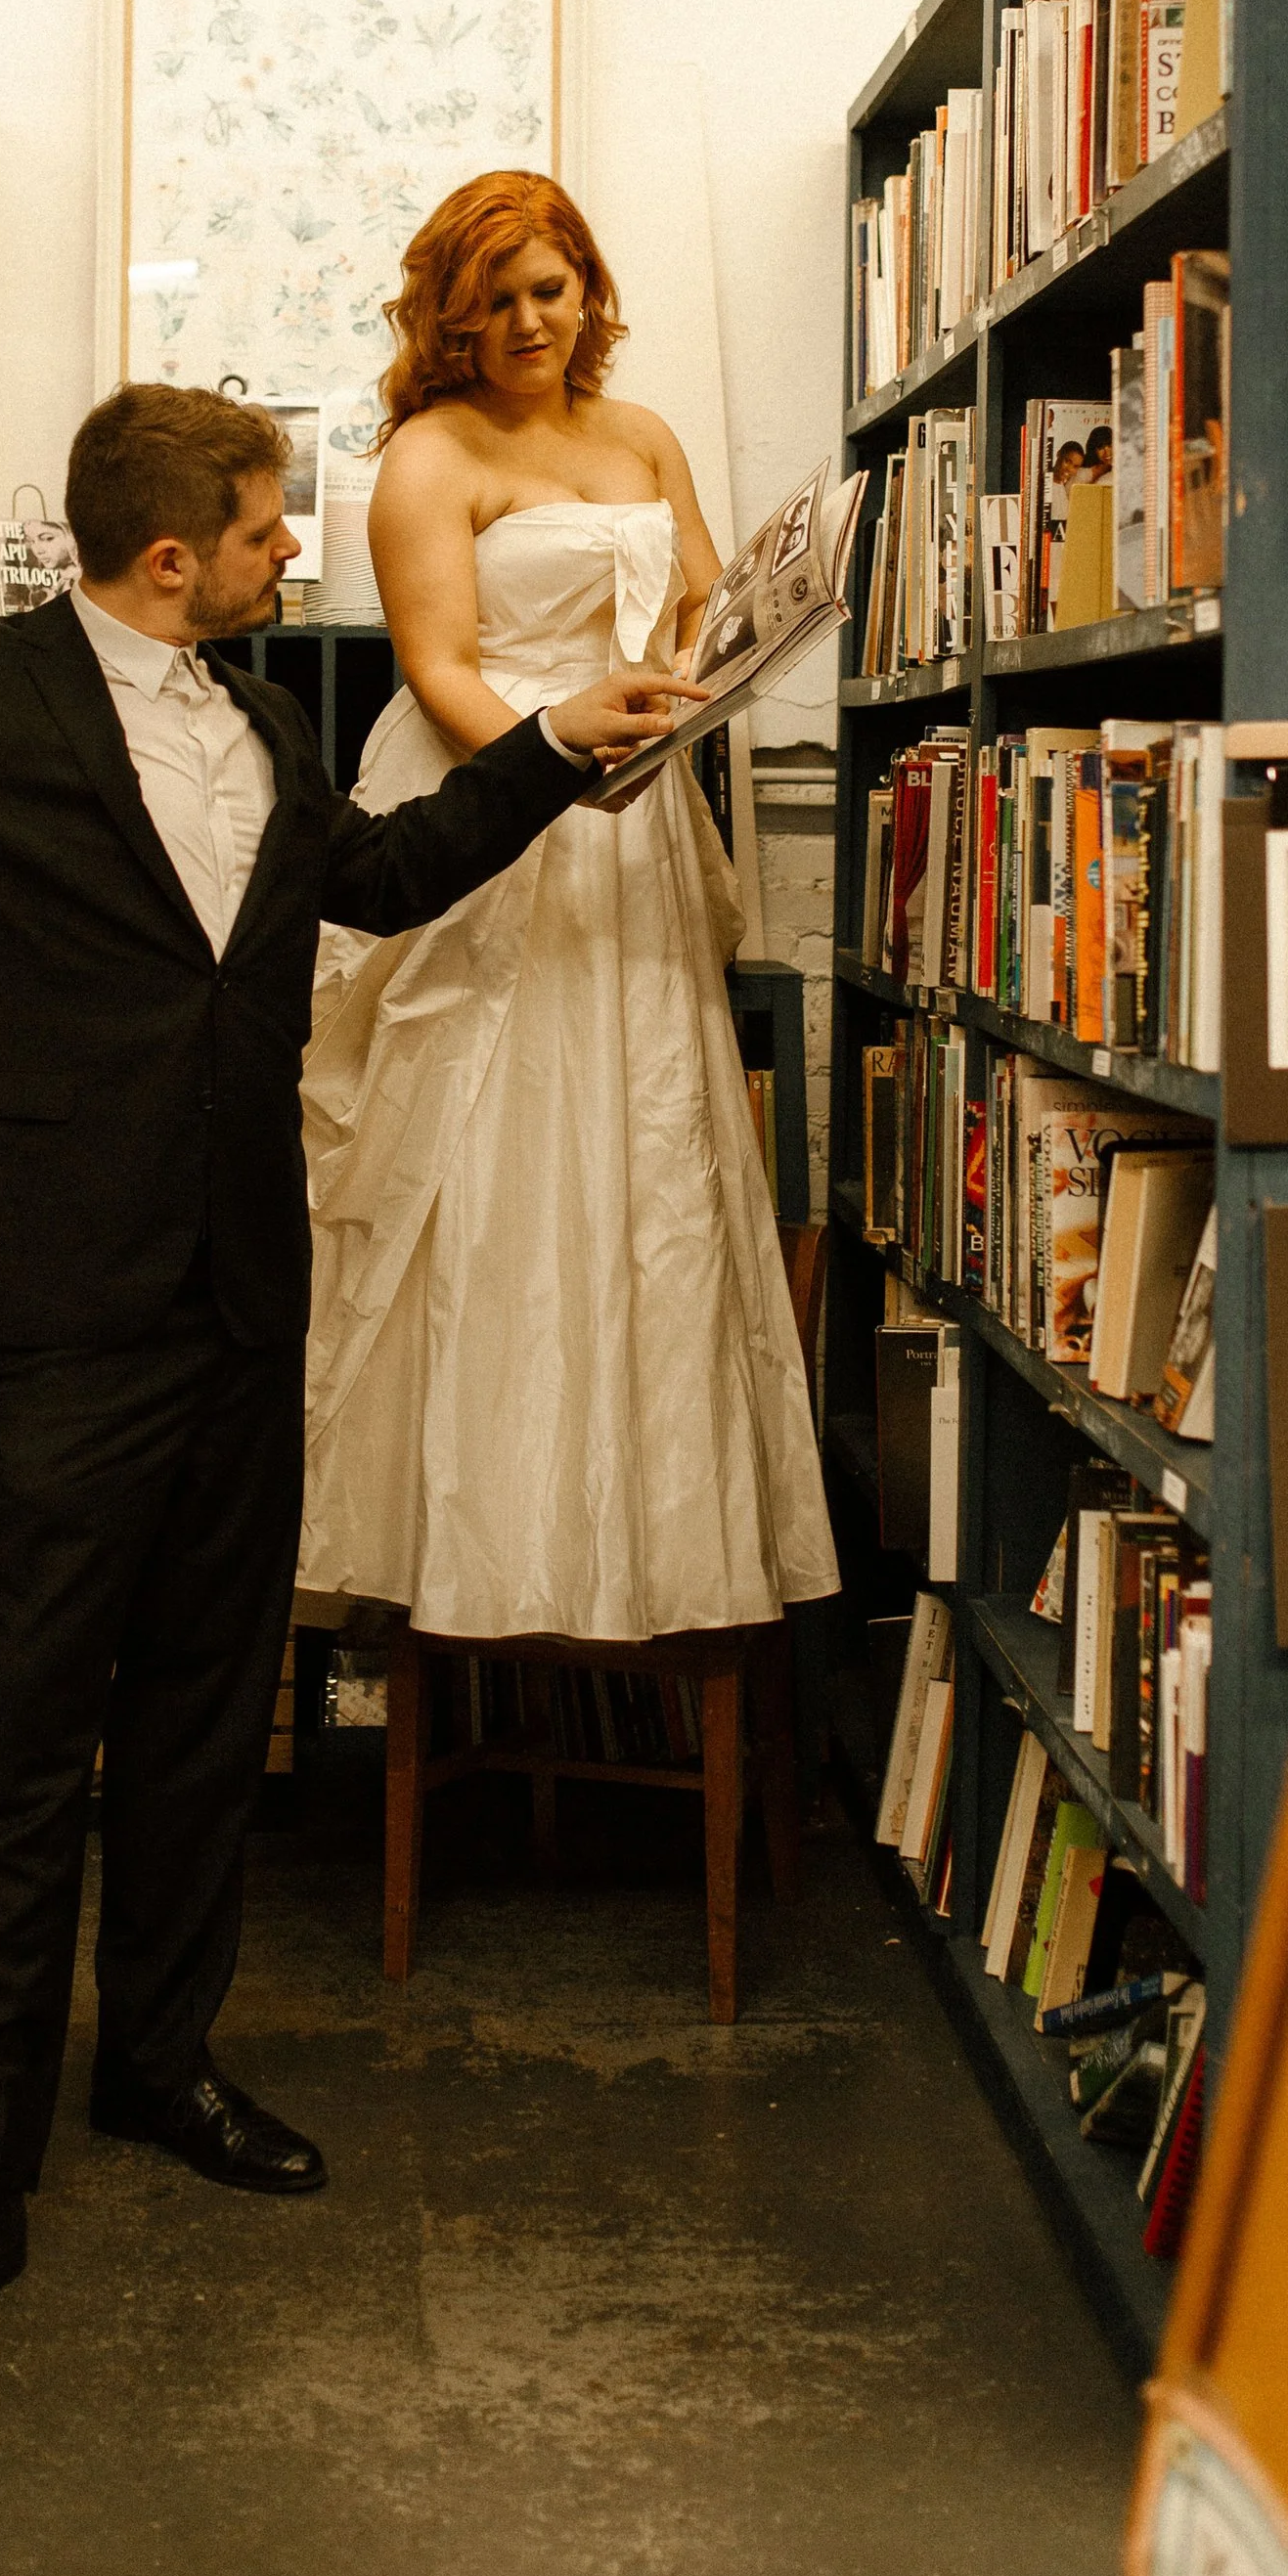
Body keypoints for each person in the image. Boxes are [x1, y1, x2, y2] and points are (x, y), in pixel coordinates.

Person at [0, 363, 700, 2387]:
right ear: (175, 553)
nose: (300, 548)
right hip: (50, 1307)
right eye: (273, 525)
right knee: (31, 1751)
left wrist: (558, 739)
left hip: (238, 1298)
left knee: (205, 1718)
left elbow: (382, 877)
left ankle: (160, 2063)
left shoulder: (264, 721)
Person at [300, 172, 840, 1645]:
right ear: (451, 314)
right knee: (488, 1154)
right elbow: (438, 664)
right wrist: (553, 772)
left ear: (588, 288)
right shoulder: (430, 453)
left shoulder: (642, 432)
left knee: (644, 1151)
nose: (528, 322)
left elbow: (703, 603)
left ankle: (646, 1543)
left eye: (550, 288)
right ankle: (478, 1544)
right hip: (499, 798)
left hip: (638, 814)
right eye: (496, 300)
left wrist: (743, 644)